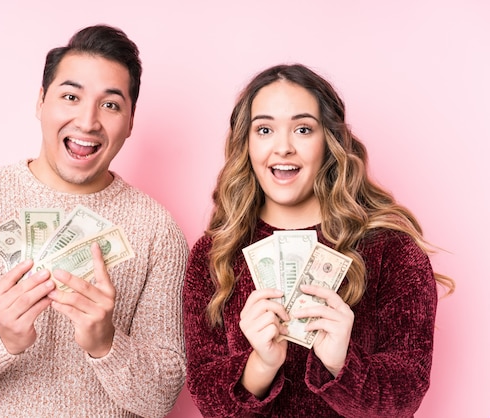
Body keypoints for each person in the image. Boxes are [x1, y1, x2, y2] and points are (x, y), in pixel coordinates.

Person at [0, 24, 189, 418]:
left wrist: (106, 343)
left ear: (130, 121)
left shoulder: (158, 231)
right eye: (70, 96)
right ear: (40, 102)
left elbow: (161, 398)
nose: (88, 121)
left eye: (110, 105)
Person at [182, 64, 455, 417]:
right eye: (264, 129)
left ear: (329, 140)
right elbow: (207, 401)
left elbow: (405, 398)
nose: (283, 147)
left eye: (303, 129)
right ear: (246, 144)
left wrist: (341, 361)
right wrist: (261, 365)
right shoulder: (214, 256)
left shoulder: (392, 250)